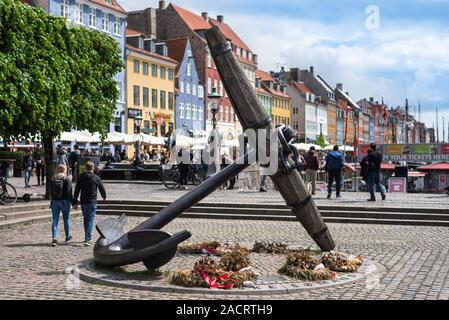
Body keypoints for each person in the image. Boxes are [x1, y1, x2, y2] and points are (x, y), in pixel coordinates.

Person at [72, 161, 106, 246]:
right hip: (92, 201)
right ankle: (87, 238)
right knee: (90, 220)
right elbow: (101, 187)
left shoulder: (81, 177)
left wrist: (75, 201)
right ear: (93, 168)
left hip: (83, 202)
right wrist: (104, 196)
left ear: (85, 168)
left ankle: (88, 235)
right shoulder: (96, 177)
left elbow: (77, 190)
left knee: (86, 219)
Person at [50, 165, 73, 247]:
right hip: (65, 201)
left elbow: (51, 192)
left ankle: (54, 239)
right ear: (64, 170)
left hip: (55, 201)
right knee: (66, 219)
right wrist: (73, 202)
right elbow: (69, 191)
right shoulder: (66, 179)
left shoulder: (53, 179)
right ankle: (67, 237)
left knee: (55, 221)